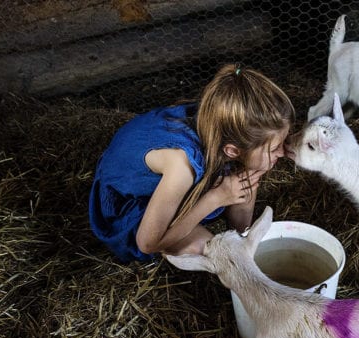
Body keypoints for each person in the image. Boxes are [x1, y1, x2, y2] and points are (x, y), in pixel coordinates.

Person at [89, 64, 294, 262]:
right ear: (232, 151)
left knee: (246, 176)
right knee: (208, 250)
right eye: (275, 148)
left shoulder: (229, 123)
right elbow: (147, 243)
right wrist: (215, 198)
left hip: (173, 183)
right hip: (129, 204)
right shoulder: (181, 165)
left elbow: (241, 205)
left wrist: (245, 241)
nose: (283, 152)